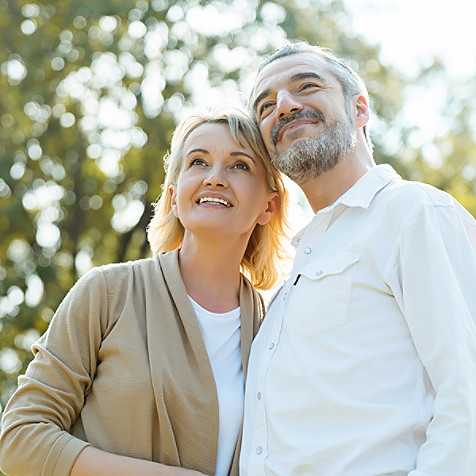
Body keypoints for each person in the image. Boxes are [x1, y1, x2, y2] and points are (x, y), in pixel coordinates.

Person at [0, 109, 288, 476]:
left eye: (240, 166)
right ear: (173, 195)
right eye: (198, 162)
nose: (215, 178)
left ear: (269, 205)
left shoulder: (276, 328)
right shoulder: (107, 293)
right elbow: (19, 438)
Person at [240, 41, 476, 475]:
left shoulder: (414, 212)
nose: (284, 106)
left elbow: (469, 395)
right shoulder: (290, 275)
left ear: (360, 109)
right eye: (265, 106)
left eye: (306, 86)